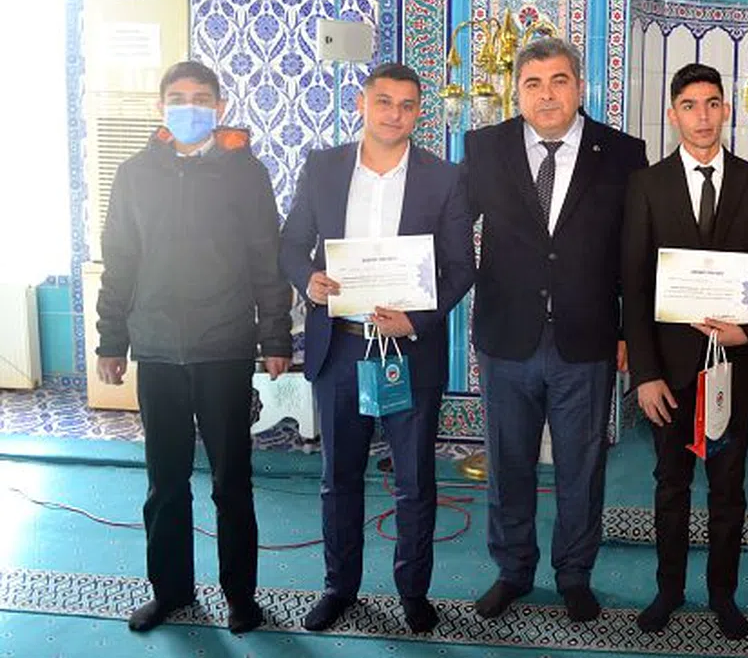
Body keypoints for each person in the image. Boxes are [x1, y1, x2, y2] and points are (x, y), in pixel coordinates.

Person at [95, 60, 293, 634]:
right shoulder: (134, 175)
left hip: (224, 345)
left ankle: (241, 597)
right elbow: (119, 261)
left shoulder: (245, 173)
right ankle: (172, 593)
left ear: (220, 107)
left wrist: (275, 336)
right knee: (165, 483)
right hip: (156, 348)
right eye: (178, 97)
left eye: (201, 98)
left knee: (232, 482)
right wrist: (112, 340)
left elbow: (267, 260)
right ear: (161, 107)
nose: (189, 107)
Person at [278, 62, 476, 634]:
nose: (394, 113)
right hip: (340, 347)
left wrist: (415, 318)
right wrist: (308, 281)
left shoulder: (444, 178)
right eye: (384, 101)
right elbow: (291, 244)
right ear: (362, 104)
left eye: (407, 105)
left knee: (414, 482)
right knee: (338, 478)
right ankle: (339, 588)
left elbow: (461, 267)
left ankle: (413, 592)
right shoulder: (323, 167)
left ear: (419, 113)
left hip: (407, 351)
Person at [464, 37, 648, 622]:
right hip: (506, 337)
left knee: (582, 468)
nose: (547, 95)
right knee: (508, 464)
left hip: (586, 339)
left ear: (579, 86)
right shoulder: (485, 148)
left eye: (559, 81)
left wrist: (631, 332)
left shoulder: (622, 154)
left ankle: (574, 575)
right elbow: (449, 228)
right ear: (517, 92)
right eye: (534, 84)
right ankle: (512, 571)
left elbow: (636, 253)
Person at [621, 62, 748, 640]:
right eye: (690, 106)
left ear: (726, 110)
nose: (702, 116)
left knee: (727, 489)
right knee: (670, 486)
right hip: (668, 372)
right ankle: (668, 591)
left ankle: (723, 595)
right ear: (673, 115)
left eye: (712, 104)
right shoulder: (647, 184)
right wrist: (644, 374)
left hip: (732, 368)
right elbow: (634, 284)